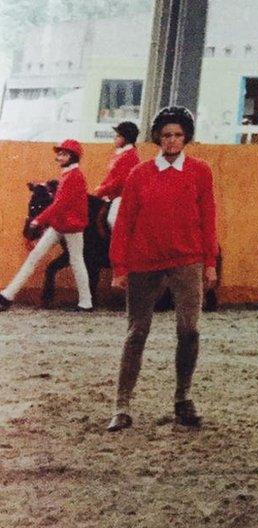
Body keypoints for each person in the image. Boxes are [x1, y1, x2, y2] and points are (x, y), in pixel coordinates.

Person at [105, 106, 219, 432]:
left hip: (187, 261)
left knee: (190, 331)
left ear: (186, 138)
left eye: (178, 135)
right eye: (167, 135)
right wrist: (120, 266)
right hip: (144, 261)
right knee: (136, 332)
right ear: (158, 137)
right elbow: (125, 222)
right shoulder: (139, 174)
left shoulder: (201, 172)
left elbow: (208, 218)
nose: (172, 140)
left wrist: (209, 262)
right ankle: (122, 405)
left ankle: (183, 399)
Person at [0, 139, 92, 313]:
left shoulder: (74, 176)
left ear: (73, 157)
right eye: (59, 153)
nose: (59, 156)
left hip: (70, 227)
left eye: (64, 154)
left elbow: (59, 204)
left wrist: (38, 220)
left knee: (76, 261)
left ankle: (86, 302)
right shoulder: (68, 174)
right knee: (38, 257)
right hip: (61, 224)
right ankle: (7, 295)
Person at [93, 121, 141, 231]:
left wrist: (103, 190)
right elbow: (110, 176)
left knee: (112, 219)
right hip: (112, 195)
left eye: (118, 136)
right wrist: (101, 187)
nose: (115, 138)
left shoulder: (131, 156)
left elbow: (120, 181)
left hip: (122, 196)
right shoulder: (119, 154)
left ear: (127, 138)